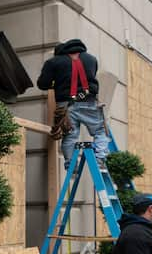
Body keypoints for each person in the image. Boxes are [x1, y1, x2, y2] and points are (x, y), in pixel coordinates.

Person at [36, 39, 110, 171]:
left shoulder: (54, 62)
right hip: (89, 102)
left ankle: (71, 165)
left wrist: (56, 82)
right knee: (100, 131)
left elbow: (43, 84)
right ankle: (100, 160)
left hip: (66, 105)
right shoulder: (92, 59)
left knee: (70, 135)